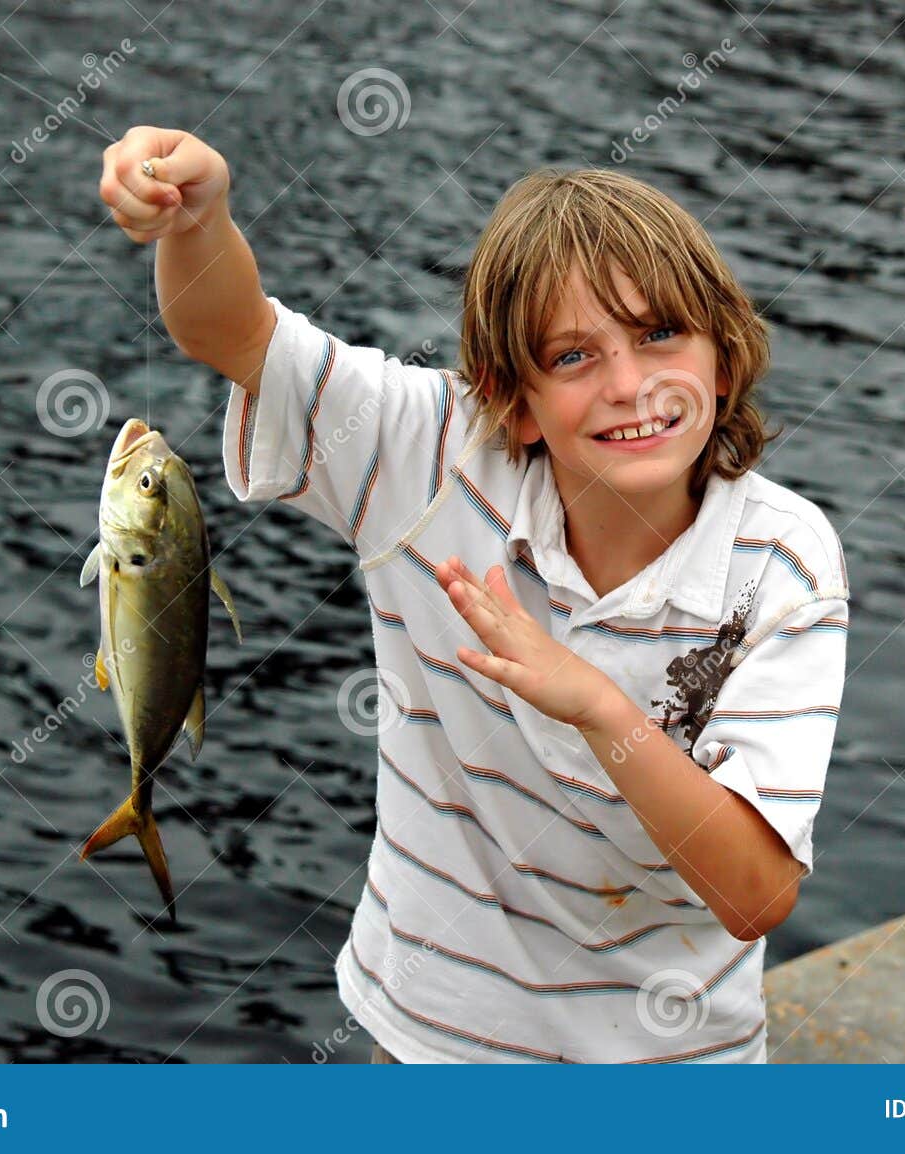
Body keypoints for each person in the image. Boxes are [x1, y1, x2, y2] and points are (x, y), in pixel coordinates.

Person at [98, 126, 850, 1063]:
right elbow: (234, 332)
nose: (630, 384)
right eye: (572, 356)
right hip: (425, 1051)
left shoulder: (782, 562)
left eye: (661, 333)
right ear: (513, 400)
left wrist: (595, 706)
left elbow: (755, 896)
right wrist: (197, 220)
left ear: (723, 356)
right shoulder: (431, 454)